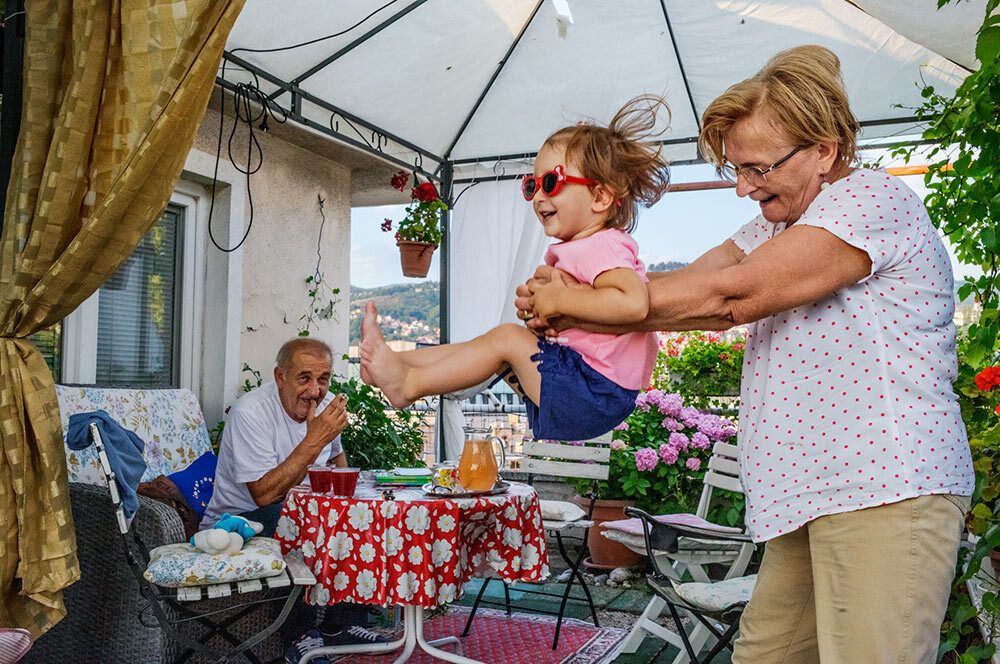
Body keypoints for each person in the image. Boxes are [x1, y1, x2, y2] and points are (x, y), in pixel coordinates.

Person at [516, 45, 974, 664]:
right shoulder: (773, 227)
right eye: (735, 168)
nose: (741, 187)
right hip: (810, 494)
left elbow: (734, 295)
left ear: (824, 151)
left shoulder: (872, 204)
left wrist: (574, 302)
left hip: (884, 489)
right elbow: (684, 298)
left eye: (756, 168)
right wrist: (583, 298)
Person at [361, 95, 671, 442]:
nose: (539, 197)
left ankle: (408, 384)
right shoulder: (580, 248)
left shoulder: (605, 245)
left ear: (600, 197)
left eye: (551, 183)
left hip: (596, 390)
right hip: (586, 383)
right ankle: (397, 366)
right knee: (493, 343)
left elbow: (634, 303)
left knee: (507, 339)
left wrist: (557, 302)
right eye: (532, 185)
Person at [203, 337, 384, 664]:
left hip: (298, 510)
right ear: (279, 377)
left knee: (356, 516)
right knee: (298, 523)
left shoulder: (325, 406)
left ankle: (341, 624)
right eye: (304, 378)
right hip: (239, 521)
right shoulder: (252, 413)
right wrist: (314, 441)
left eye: (323, 379)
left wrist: (356, 505)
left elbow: (338, 461)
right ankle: (299, 636)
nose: (316, 390)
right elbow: (264, 493)